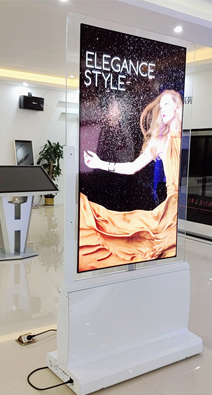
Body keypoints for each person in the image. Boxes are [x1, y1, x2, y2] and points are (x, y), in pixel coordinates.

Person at [79, 89, 183, 271]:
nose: (162, 109)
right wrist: (99, 163)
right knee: (125, 235)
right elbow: (132, 167)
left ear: (177, 106)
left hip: (182, 206)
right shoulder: (161, 141)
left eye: (167, 104)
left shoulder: (185, 135)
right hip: (170, 208)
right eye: (160, 106)